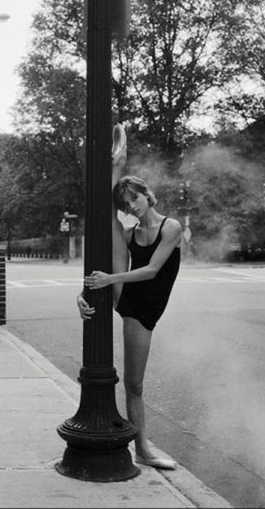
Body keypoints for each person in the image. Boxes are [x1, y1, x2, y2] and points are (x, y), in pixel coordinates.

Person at [77, 124, 181, 470]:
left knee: (134, 382)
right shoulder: (130, 230)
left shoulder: (171, 227)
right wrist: (89, 290)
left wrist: (108, 280)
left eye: (134, 198)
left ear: (147, 194)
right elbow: (113, 263)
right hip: (132, 302)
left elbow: (152, 271)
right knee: (134, 383)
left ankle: (118, 165)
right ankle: (144, 450)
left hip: (145, 299)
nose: (132, 207)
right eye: (125, 203)